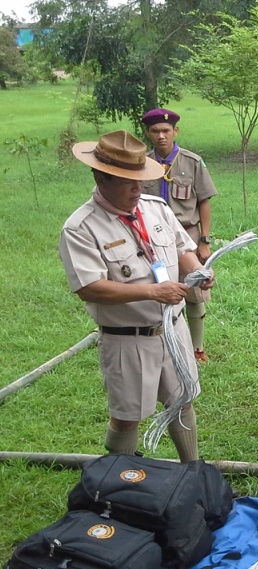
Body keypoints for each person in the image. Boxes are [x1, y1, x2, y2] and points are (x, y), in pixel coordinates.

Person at [59, 130, 215, 462]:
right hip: (127, 338)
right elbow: (89, 287)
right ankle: (119, 479)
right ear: (100, 177)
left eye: (140, 180)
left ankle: (192, 468)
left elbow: (182, 249)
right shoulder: (82, 227)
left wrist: (197, 271)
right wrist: (151, 291)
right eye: (127, 182)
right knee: (128, 416)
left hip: (173, 329)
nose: (137, 189)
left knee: (182, 401)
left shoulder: (156, 208)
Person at [140, 108, 219, 363]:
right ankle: (167, 343)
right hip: (153, 238)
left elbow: (204, 201)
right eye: (155, 131)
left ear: (176, 131)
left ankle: (196, 347)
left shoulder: (192, 162)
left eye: (166, 131)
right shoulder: (143, 164)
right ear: (148, 133)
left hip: (188, 235)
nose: (161, 136)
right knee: (162, 289)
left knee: (194, 292)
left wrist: (204, 240)